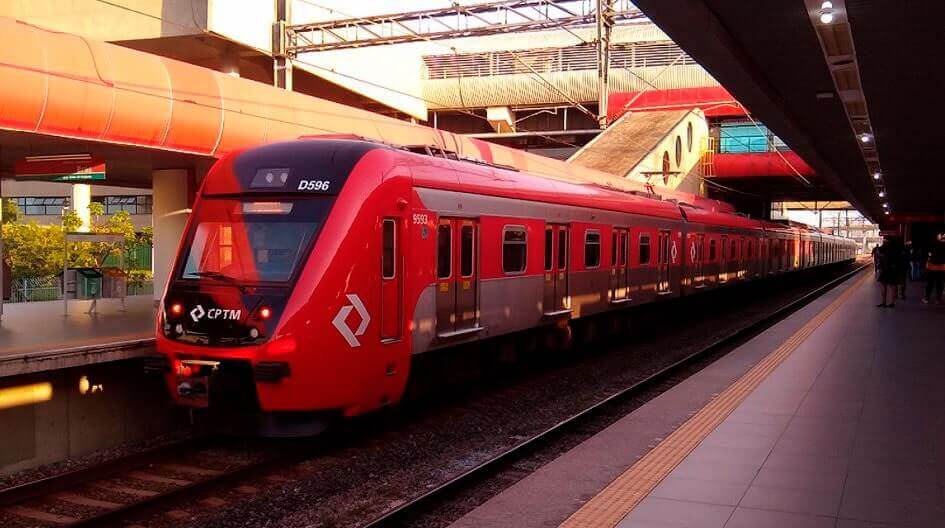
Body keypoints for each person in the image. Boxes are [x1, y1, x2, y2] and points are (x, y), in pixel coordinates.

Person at [875, 237, 902, 308]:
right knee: (892, 286)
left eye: (884, 240)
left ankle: (883, 302)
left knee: (883, 285)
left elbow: (879, 256)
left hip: (885, 269)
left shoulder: (882, 248)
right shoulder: (896, 248)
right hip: (893, 270)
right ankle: (892, 302)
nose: (883, 242)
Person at [923, 233, 945, 304]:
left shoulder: (933, 244)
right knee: (939, 284)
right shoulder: (942, 244)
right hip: (940, 267)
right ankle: (937, 299)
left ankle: (927, 298)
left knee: (930, 284)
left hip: (933, 267)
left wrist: (928, 261)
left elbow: (929, 254)